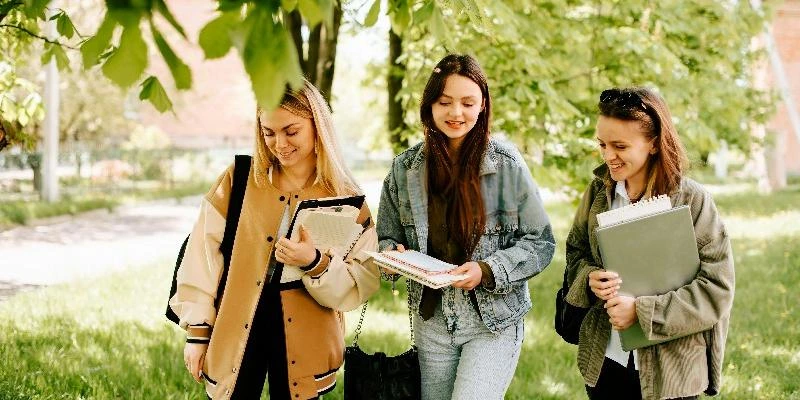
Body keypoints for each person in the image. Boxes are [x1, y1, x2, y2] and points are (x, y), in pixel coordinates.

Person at [169, 80, 380, 399]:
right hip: (237, 320)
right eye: (268, 132)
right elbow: (202, 255)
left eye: (291, 131)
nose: (279, 144)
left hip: (308, 334)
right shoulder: (239, 179)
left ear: (316, 124)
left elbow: (358, 283)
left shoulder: (344, 199)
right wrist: (198, 333)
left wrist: (314, 263)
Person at [376, 54, 556, 400]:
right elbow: (387, 238)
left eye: (467, 102)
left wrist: (488, 270)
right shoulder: (404, 169)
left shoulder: (506, 164)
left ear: (482, 105)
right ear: (429, 106)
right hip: (432, 323)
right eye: (444, 102)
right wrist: (391, 257)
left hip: (494, 321)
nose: (455, 113)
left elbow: (541, 243)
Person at [563, 87, 735, 400]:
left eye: (620, 146)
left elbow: (717, 288)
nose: (607, 156)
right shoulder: (598, 193)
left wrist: (643, 313)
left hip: (673, 372)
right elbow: (575, 253)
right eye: (602, 144)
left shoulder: (693, 201)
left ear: (653, 143)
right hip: (607, 361)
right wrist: (589, 278)